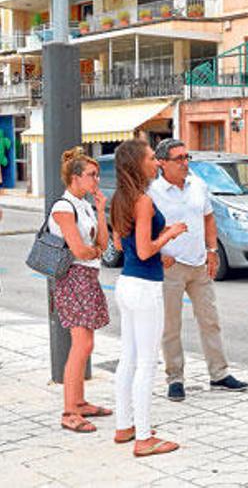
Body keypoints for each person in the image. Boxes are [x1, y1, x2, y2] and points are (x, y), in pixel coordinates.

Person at [148, 138, 248, 402]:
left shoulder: (198, 186)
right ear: (162, 163)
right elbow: (142, 228)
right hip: (171, 266)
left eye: (186, 157)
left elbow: (208, 218)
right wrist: (158, 253)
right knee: (171, 325)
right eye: (178, 158)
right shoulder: (152, 192)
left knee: (210, 321)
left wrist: (212, 251)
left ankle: (219, 374)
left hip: (199, 264)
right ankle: (175, 378)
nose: (184, 163)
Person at [110, 139, 187, 457]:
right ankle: (143, 438)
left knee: (128, 359)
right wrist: (169, 234)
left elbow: (123, 242)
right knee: (146, 363)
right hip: (144, 288)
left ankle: (124, 425)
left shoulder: (120, 198)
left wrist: (158, 234)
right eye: (150, 158)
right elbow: (144, 250)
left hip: (127, 283)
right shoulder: (142, 200)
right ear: (136, 163)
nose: (156, 162)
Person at [49, 147, 111, 433]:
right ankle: (69, 411)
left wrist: (100, 209)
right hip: (73, 278)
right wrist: (93, 250)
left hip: (87, 276)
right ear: (75, 177)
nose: (96, 180)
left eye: (96, 175)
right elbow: (79, 249)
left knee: (87, 343)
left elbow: (103, 243)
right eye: (91, 175)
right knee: (81, 344)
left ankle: (80, 402)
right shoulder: (64, 207)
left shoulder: (84, 204)